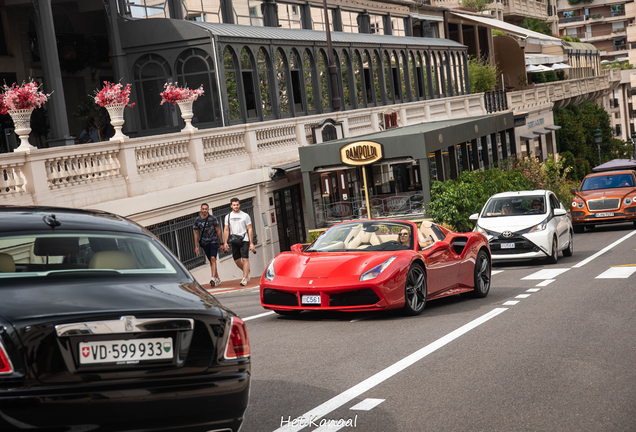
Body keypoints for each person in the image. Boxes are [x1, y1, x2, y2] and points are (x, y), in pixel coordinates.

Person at [223, 198, 255, 286]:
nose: (236, 206)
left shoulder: (245, 215)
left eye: (237, 205)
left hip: (244, 239)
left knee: (245, 259)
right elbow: (226, 229)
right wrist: (225, 242)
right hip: (234, 240)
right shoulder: (228, 216)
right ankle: (247, 270)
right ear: (231, 206)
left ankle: (244, 278)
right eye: (234, 205)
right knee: (237, 261)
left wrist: (251, 242)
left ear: (239, 205)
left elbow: (250, 228)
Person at [194, 203, 223, 287]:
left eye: (206, 209)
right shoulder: (197, 220)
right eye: (203, 209)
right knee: (211, 261)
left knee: (213, 258)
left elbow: (218, 231)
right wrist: (195, 246)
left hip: (213, 241)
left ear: (208, 210)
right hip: (204, 242)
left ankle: (213, 278)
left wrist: (221, 243)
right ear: (201, 210)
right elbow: (196, 233)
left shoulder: (213, 218)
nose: (204, 210)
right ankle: (217, 279)